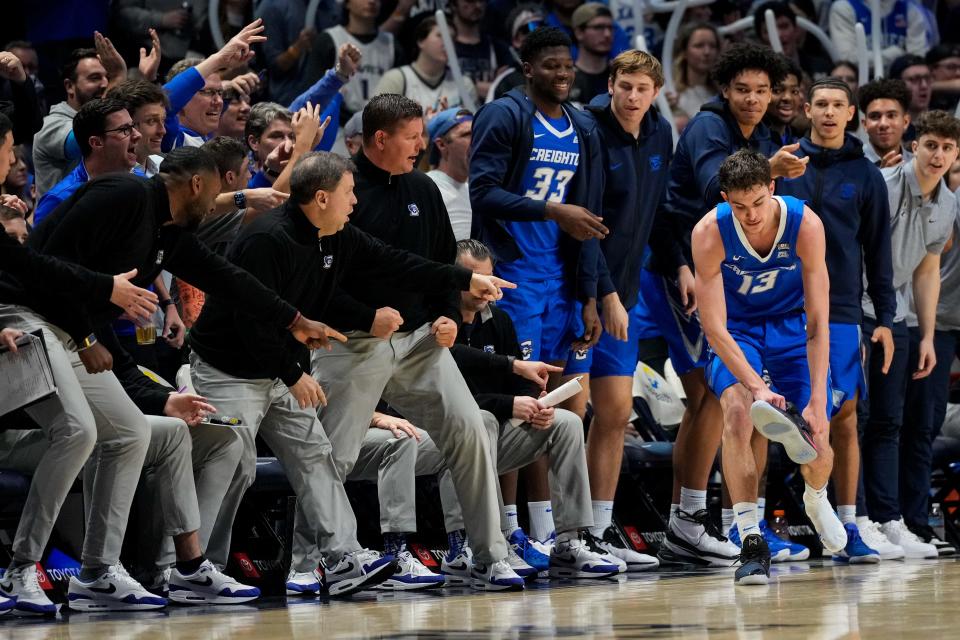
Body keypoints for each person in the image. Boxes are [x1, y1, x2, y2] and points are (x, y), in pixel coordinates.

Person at [0, 146, 336, 613]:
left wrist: (293, 318)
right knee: (78, 432)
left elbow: (227, 278)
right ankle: (20, 569)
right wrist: (86, 326)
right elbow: (43, 261)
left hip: (72, 333)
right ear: (197, 184)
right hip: (26, 318)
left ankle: (98, 574)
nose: (220, 199)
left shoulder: (167, 234)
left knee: (131, 434)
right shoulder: (122, 193)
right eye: (219, 188)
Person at [307, 93, 524, 591]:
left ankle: (489, 554)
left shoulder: (424, 188)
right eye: (412, 137)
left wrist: (448, 316)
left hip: (421, 342)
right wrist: (365, 315)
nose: (421, 145)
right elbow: (319, 283)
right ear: (380, 138)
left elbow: (442, 263)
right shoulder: (343, 189)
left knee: (471, 427)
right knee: (332, 454)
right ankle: (309, 560)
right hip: (356, 342)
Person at [646, 43, 804, 567]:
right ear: (724, 90)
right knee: (709, 399)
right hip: (678, 265)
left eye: (763, 90)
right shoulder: (710, 127)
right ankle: (686, 522)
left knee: (746, 406)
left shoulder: (760, 134)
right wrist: (769, 165)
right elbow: (721, 189)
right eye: (743, 90)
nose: (754, 99)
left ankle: (746, 526)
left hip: (720, 274)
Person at [692, 148, 847, 585]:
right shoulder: (709, 232)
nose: (751, 215)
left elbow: (819, 325)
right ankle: (750, 541)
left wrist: (818, 400)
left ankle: (816, 497)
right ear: (725, 200)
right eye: (739, 207)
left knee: (818, 439)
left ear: (772, 188)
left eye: (758, 203)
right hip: (738, 332)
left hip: (791, 328)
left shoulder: (807, 224)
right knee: (739, 412)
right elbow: (714, 327)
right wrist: (756, 385)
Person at [436, 238, 631, 582]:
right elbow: (449, 400)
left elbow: (522, 382)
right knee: (475, 423)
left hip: (493, 431)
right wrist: (511, 404)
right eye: (477, 279)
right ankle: (465, 546)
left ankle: (571, 540)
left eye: (491, 279)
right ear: (454, 276)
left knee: (567, 422)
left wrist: (535, 404)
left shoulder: (501, 321)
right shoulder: (438, 322)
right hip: (441, 437)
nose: (487, 288)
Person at [777, 78, 897, 562]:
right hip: (783, 308)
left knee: (844, 416)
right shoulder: (783, 165)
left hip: (844, 310)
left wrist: (883, 317)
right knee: (777, 415)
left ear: (852, 114)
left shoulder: (866, 175)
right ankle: (764, 525)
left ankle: (849, 526)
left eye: (837, 106)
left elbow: (878, 252)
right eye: (820, 105)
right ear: (806, 110)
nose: (828, 113)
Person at [578, 49, 671, 571]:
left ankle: (599, 524)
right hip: (583, 293)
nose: (633, 97)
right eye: (626, 85)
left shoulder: (660, 133)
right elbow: (586, 224)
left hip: (626, 294)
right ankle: (561, 530)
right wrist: (605, 293)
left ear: (655, 92)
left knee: (614, 413)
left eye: (643, 88)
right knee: (567, 415)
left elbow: (659, 212)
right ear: (611, 83)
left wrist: (677, 263)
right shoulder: (589, 131)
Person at [860, 110, 960, 558]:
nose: (939, 155)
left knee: (889, 420)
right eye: (931, 145)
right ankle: (854, 519)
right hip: (854, 307)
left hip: (897, 314)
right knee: (855, 418)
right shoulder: (881, 185)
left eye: (948, 148)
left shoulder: (949, 203)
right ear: (913, 145)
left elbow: (927, 269)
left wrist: (925, 335)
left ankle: (889, 520)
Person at [33, 97, 142, 226]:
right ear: (96, 142)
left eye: (133, 126)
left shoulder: (143, 181)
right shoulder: (60, 200)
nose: (137, 135)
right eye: (124, 130)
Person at [303, 0, 405, 122]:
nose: (372, 1)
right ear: (346, 3)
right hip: (337, 125)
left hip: (380, 125)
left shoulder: (391, 44)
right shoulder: (329, 39)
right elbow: (314, 89)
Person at [32, 48, 108, 196]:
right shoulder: (51, 125)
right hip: (61, 218)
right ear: (69, 86)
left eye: (108, 77)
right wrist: (118, 78)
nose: (105, 84)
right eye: (94, 78)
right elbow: (85, 142)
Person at [374, 17, 479, 110]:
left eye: (451, 38)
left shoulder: (464, 84)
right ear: (420, 41)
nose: (447, 43)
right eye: (440, 35)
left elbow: (473, 125)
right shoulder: (396, 79)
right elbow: (374, 122)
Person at [828, 0, 931, 68]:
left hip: (900, 83)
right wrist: (895, 54)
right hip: (861, 84)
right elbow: (847, 59)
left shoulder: (910, 10)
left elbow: (917, 59)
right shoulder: (844, 8)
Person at [448, 0, 512, 102]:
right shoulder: (442, 46)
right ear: (453, 4)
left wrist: (501, 85)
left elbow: (509, 88)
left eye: (482, 1)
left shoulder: (498, 48)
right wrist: (474, 88)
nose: (478, 5)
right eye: (470, 1)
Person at [426, 107, 473, 240]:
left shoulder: (474, 190)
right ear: (441, 145)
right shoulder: (428, 188)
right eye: (467, 134)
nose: (477, 140)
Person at [669, 22, 720, 127]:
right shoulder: (668, 92)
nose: (707, 52)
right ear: (684, 52)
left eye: (712, 46)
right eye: (699, 46)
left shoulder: (724, 94)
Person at [858, 78, 915, 167]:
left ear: (905, 122)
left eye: (891, 115)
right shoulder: (849, 166)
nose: (883, 124)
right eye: (875, 116)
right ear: (865, 124)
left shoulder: (919, 166)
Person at [570, 3, 612, 105]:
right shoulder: (567, 79)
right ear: (579, 33)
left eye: (610, 28)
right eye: (598, 27)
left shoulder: (620, 75)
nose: (607, 34)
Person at [763, 57, 803, 146]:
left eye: (794, 91)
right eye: (777, 90)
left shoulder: (799, 140)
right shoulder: (750, 139)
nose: (787, 98)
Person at [889, 55, 933, 127]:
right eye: (914, 79)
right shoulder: (888, 129)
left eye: (927, 78)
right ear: (897, 86)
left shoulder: (945, 124)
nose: (924, 85)